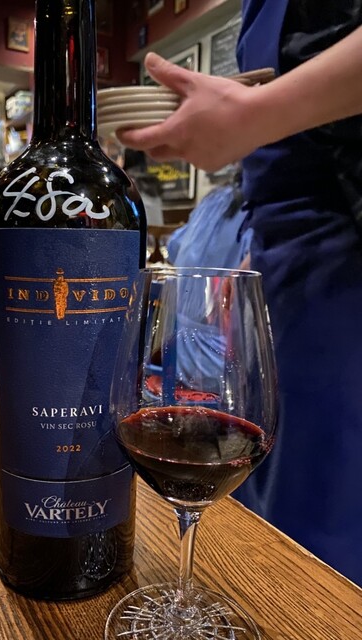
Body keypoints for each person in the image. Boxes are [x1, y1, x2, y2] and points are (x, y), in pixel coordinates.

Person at [118, 2, 362, 587]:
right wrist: (260, 251)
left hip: (347, 271)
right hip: (285, 264)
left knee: (324, 515)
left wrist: (259, 114)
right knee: (269, 518)